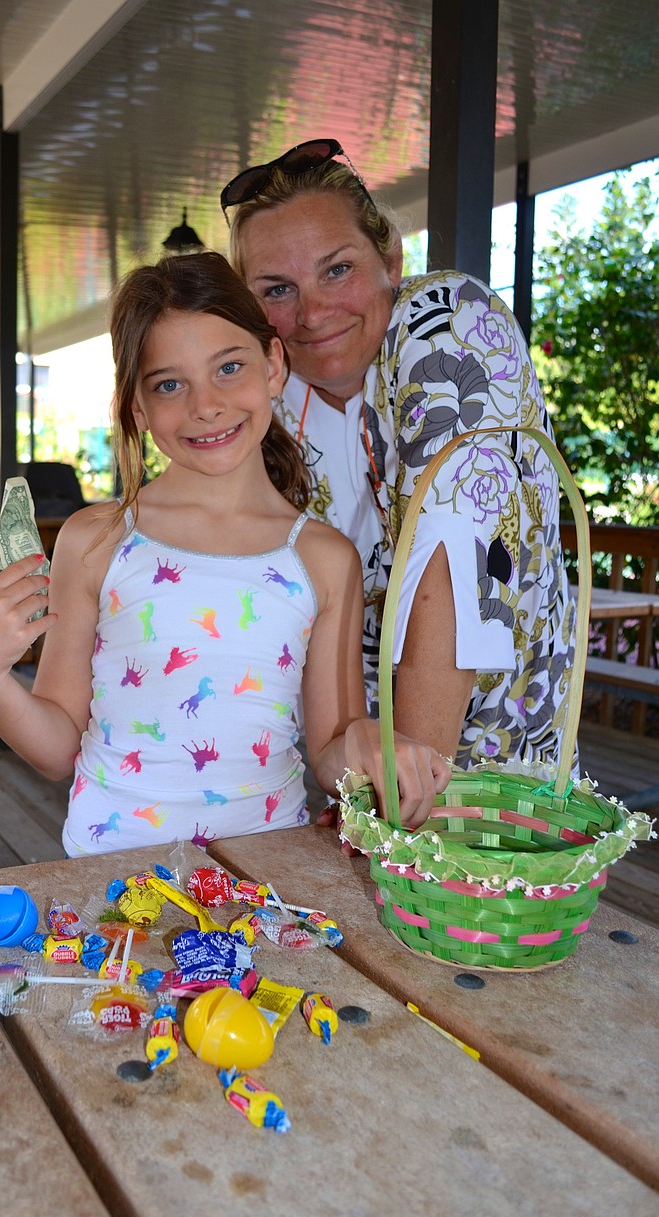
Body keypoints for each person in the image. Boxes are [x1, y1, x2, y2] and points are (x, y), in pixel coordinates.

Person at [0, 251, 450, 855]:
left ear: (273, 365)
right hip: (112, 879)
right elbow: (58, 747)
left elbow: (329, 751)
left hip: (266, 881)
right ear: (137, 405)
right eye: (169, 384)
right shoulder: (96, 540)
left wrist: (371, 740)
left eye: (228, 368)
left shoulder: (324, 558)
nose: (205, 405)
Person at [222, 138, 576, 771]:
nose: (313, 313)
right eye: (277, 290)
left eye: (337, 269)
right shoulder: (271, 391)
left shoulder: (447, 325)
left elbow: (449, 565)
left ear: (389, 256)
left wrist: (403, 806)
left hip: (484, 783)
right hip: (352, 777)